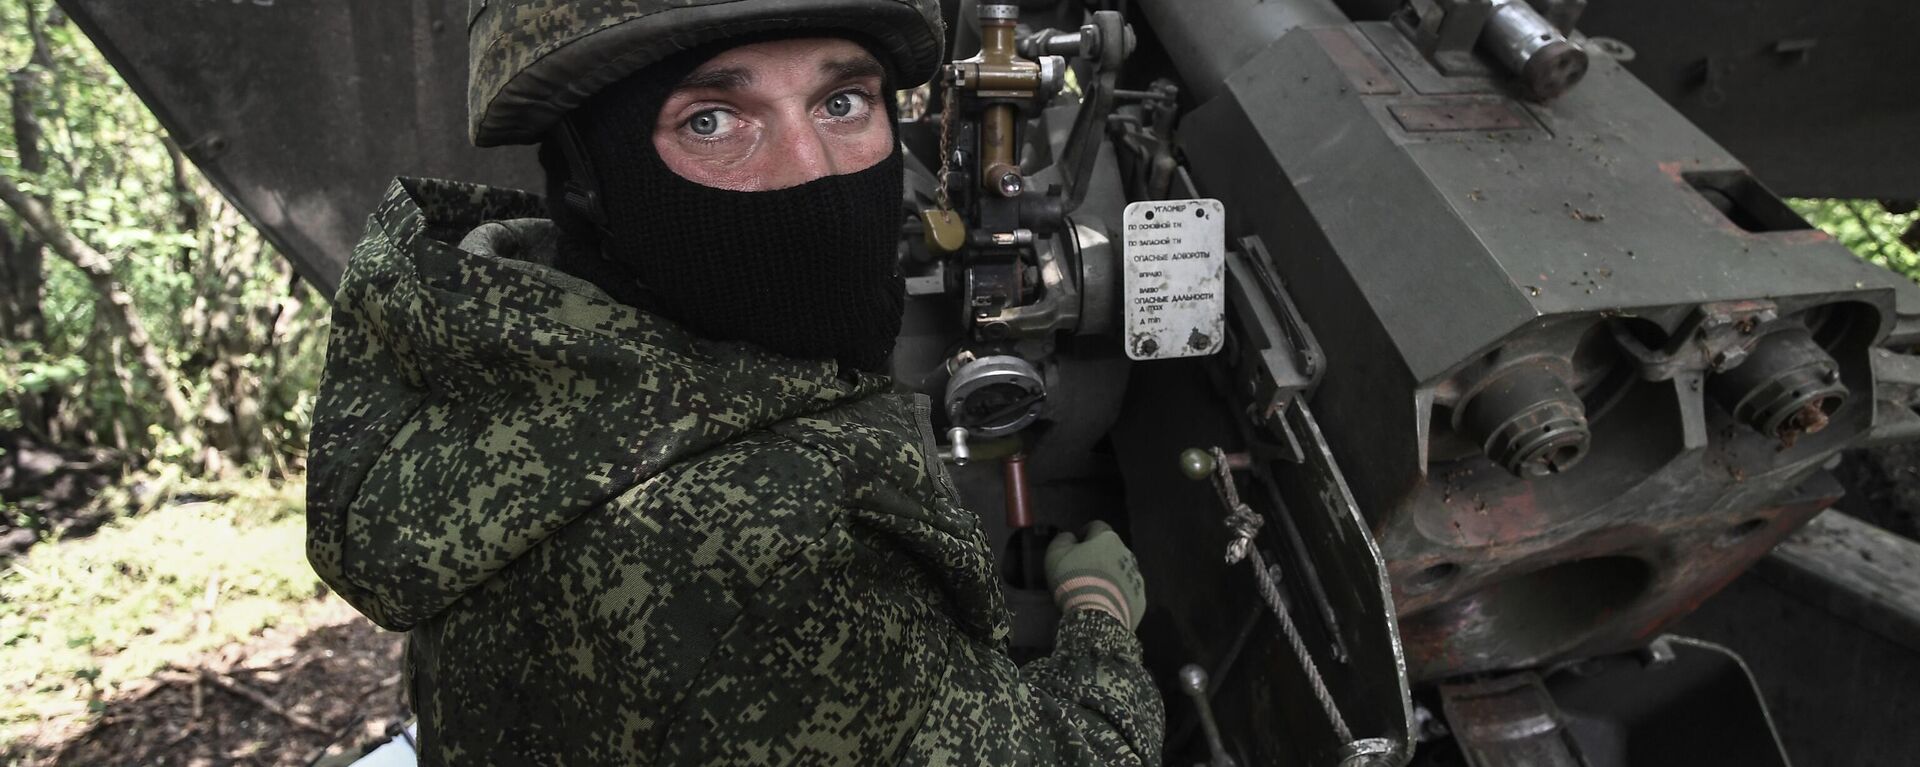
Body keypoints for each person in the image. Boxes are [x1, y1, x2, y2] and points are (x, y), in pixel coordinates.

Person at [304, 0, 1164, 763]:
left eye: (841, 102)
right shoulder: (776, 564)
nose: (812, 168)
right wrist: (1097, 614)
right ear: (587, 171)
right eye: (713, 119)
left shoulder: (499, 346)